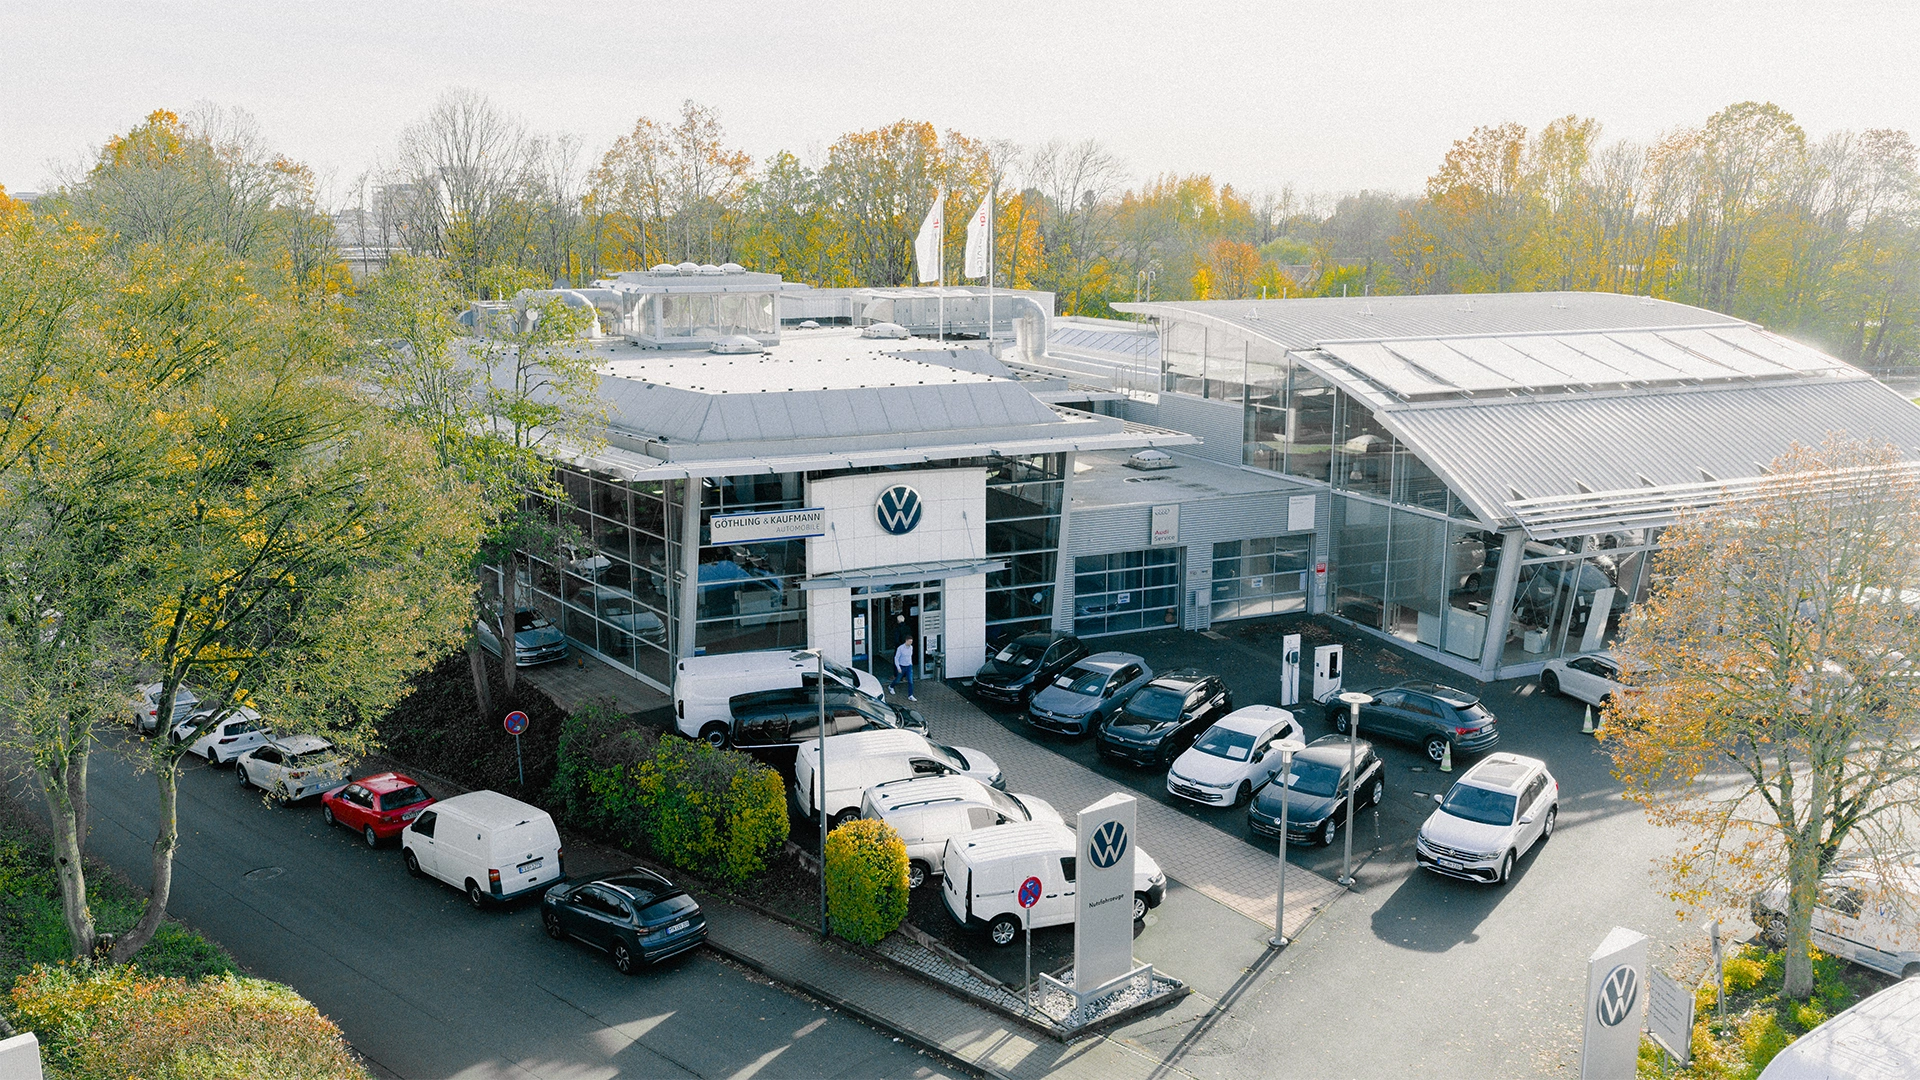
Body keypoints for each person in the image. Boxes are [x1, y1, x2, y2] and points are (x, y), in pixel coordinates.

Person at [888, 637, 916, 701]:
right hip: (902, 666)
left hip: (908, 666)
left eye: (911, 641)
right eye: (910, 641)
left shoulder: (911, 647)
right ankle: (891, 686)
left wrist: (910, 664)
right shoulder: (900, 648)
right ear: (906, 641)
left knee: (910, 681)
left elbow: (909, 657)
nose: (911, 643)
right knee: (898, 679)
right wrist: (898, 667)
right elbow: (896, 658)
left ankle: (910, 695)